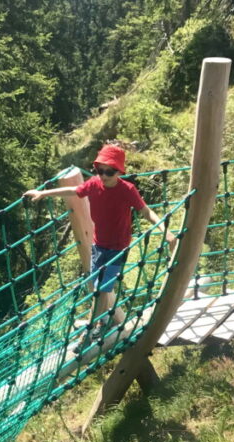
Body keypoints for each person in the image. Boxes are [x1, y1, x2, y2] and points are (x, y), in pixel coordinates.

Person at [23, 144, 176, 347]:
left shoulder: (127, 190)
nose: (103, 175)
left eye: (109, 171)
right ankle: (102, 321)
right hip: (98, 245)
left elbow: (145, 211)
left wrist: (165, 232)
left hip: (117, 248)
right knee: (98, 285)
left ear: (119, 171)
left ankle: (91, 329)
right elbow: (74, 190)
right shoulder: (94, 184)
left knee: (101, 289)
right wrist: (43, 193)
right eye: (99, 170)